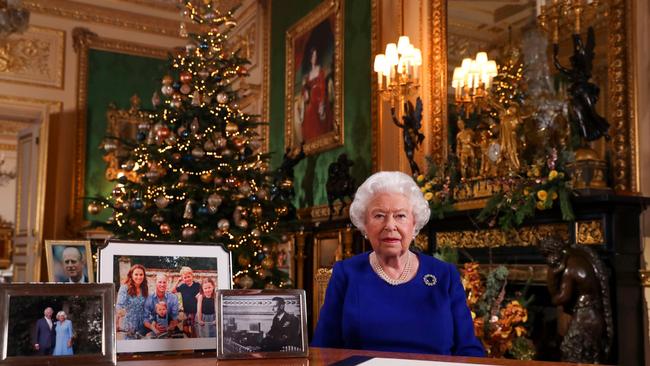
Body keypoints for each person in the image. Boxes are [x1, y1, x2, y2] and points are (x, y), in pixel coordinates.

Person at [312, 171, 484, 356]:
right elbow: (323, 348)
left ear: (414, 223)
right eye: (379, 216)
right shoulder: (346, 273)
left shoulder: (444, 275)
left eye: (400, 216)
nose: (390, 225)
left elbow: (468, 349)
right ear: (364, 224)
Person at [300, 47, 333, 142]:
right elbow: (304, 90)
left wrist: (321, 103)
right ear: (310, 58)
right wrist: (305, 91)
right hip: (311, 100)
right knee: (308, 113)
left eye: (315, 56)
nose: (314, 58)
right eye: (313, 56)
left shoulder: (320, 71)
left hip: (320, 99)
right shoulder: (308, 75)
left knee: (315, 112)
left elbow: (323, 87)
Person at [116, 264, 148, 340]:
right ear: (131, 275)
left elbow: (146, 307)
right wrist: (116, 323)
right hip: (129, 325)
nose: (139, 277)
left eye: (141, 274)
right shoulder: (124, 288)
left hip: (142, 326)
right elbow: (119, 306)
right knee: (129, 349)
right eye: (136, 274)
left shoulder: (144, 289)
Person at [172, 266, 201, 337]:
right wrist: (178, 281)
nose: (187, 279)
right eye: (185, 278)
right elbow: (172, 291)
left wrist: (199, 294)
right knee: (185, 329)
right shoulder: (182, 286)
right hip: (186, 312)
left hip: (195, 312)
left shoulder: (197, 285)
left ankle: (194, 340)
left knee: (194, 329)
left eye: (188, 276)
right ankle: (189, 337)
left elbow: (202, 293)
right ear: (182, 278)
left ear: (192, 276)